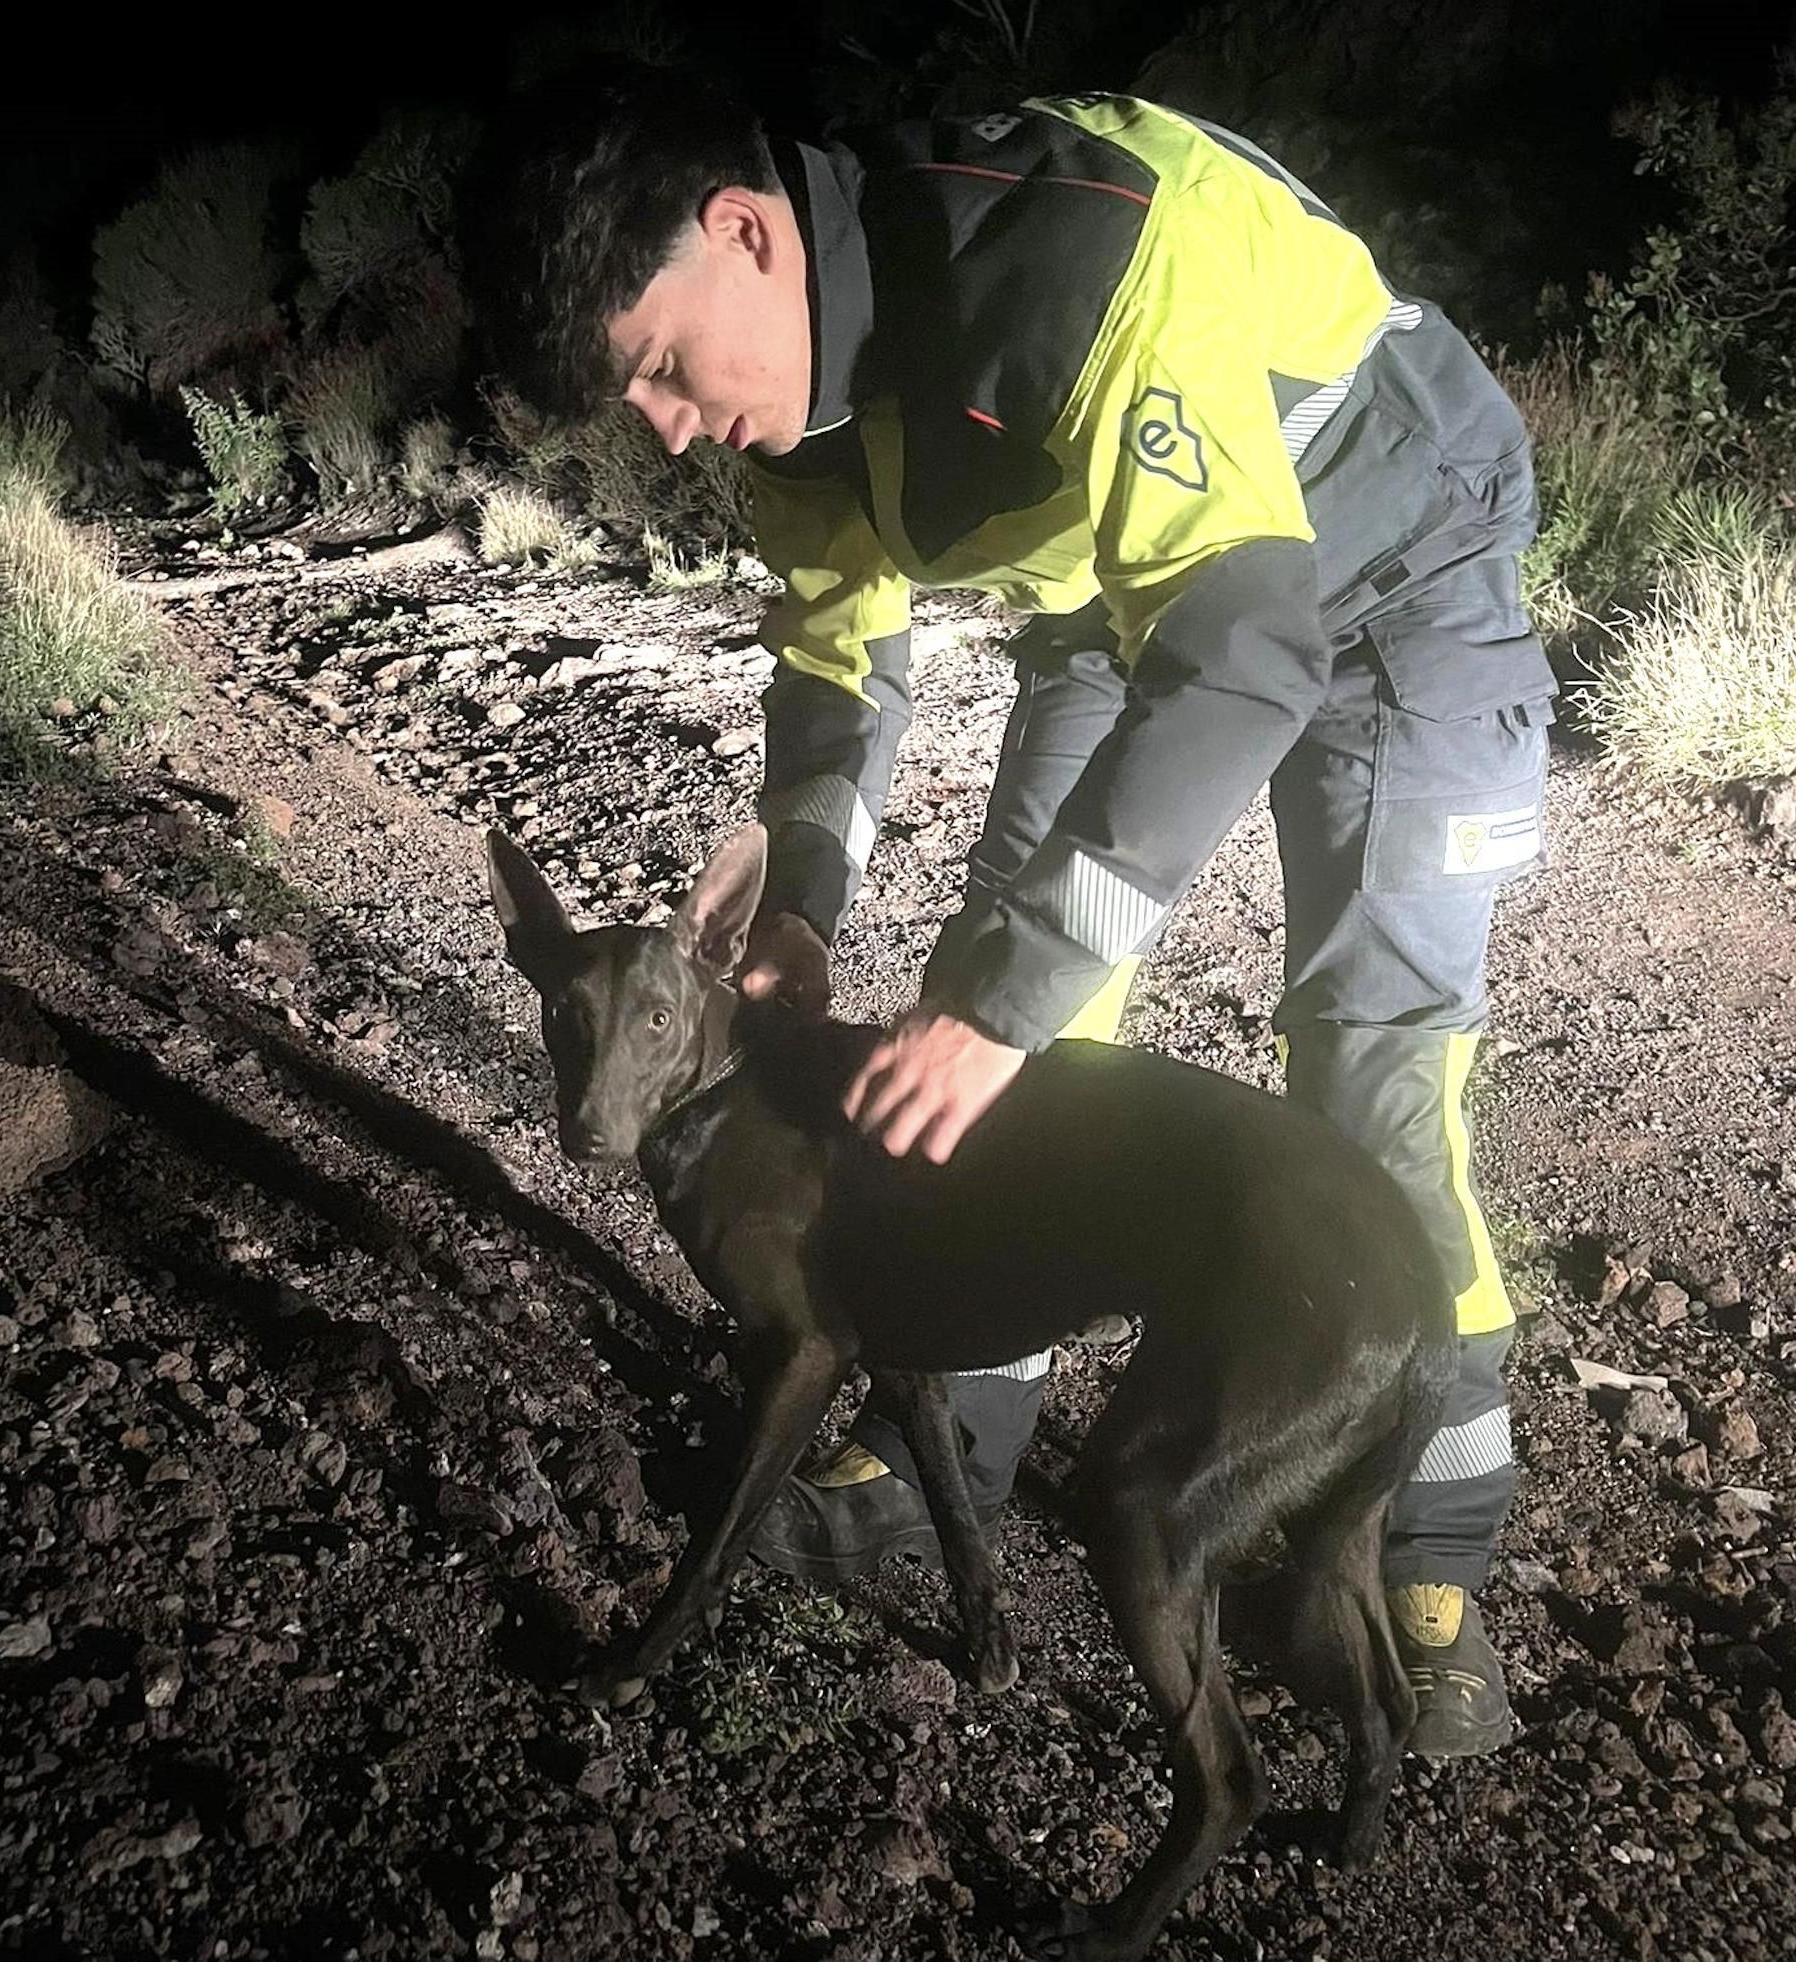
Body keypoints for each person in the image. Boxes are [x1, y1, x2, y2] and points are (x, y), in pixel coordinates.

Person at [463, 65, 1554, 1758]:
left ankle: (1428, 1561)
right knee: (1013, 1024)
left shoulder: (1072, 256)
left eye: (663, 365)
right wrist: (804, 906)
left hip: (1397, 552)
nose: (666, 426)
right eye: (637, 400)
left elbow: (1249, 653)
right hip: (1127, 590)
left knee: (1371, 1068)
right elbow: (840, 664)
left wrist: (1005, 994)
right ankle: (954, 1441)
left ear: (743, 234)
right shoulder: (789, 417)